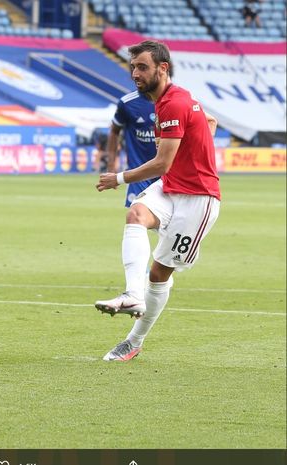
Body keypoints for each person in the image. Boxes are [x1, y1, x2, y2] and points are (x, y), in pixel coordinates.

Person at [95, 41, 220, 362]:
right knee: (136, 214)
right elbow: (209, 123)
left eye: (142, 67)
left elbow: (162, 163)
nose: (135, 73)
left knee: (159, 273)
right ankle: (132, 294)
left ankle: (134, 341)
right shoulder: (168, 101)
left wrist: (118, 177)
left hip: (198, 198)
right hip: (171, 187)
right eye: (133, 67)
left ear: (162, 68)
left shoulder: (173, 103)